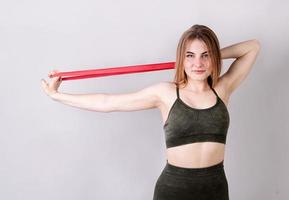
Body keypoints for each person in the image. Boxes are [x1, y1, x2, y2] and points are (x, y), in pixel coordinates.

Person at [41, 24, 260, 200]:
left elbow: (253, 47)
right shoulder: (165, 93)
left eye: (205, 55)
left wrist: (216, 54)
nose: (198, 63)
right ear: (181, 58)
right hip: (173, 191)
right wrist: (57, 96)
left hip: (216, 190)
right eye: (190, 55)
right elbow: (108, 102)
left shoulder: (222, 89)